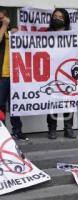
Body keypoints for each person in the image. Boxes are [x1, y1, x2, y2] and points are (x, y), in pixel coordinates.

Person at [46, 8, 75, 139]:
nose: (57, 18)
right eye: (55, 16)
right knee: (52, 102)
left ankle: (68, 128)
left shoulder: (73, 34)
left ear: (66, 20)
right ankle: (52, 129)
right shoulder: (46, 34)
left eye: (60, 17)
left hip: (66, 73)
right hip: (51, 73)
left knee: (68, 101)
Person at [0, 7, 27, 140]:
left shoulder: (13, 31)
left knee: (16, 105)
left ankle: (17, 130)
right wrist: (4, 26)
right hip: (2, 76)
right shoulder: (3, 29)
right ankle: (3, 133)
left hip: (16, 76)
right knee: (1, 106)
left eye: (2, 18)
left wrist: (16, 32)